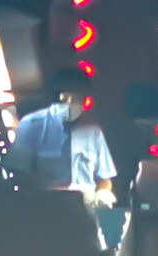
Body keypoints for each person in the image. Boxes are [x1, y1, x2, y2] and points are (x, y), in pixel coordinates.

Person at [8, 70, 117, 209]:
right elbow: (19, 173)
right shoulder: (32, 125)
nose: (70, 102)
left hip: (85, 209)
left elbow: (105, 178)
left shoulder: (92, 130)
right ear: (54, 96)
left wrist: (102, 194)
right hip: (46, 209)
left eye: (77, 96)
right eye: (65, 96)